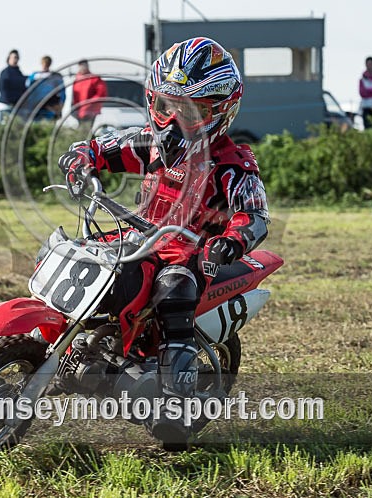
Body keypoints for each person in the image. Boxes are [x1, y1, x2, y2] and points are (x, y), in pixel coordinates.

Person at [57, 37, 268, 444]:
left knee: (174, 288)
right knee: (84, 256)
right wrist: (82, 157)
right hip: (140, 234)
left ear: (219, 112)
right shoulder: (152, 144)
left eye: (190, 111)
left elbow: (254, 215)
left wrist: (232, 241)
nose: (172, 120)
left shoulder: (231, 163)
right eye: (165, 106)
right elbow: (103, 148)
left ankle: (175, 394)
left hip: (192, 252)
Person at [25, 56, 65, 121]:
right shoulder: (35, 76)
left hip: (51, 108)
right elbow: (28, 88)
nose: (45, 65)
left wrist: (60, 105)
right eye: (44, 63)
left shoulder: (55, 77)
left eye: (47, 63)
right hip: (37, 108)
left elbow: (62, 93)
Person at [71, 59, 108, 128]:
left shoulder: (94, 78)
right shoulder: (76, 79)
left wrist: (88, 104)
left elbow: (101, 94)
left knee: (85, 131)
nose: (84, 67)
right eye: (82, 66)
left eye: (85, 66)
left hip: (90, 111)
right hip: (77, 111)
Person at [0, 49, 27, 122]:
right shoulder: (5, 73)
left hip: (16, 106)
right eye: (13, 57)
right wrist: (10, 100)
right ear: (9, 58)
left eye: (16, 57)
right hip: (6, 105)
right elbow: (2, 88)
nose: (15, 59)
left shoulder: (19, 73)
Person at [358, 56, 372, 129]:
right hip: (366, 107)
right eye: (368, 64)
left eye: (371, 64)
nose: (369, 66)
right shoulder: (362, 79)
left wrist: (369, 91)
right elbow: (362, 93)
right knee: (367, 128)